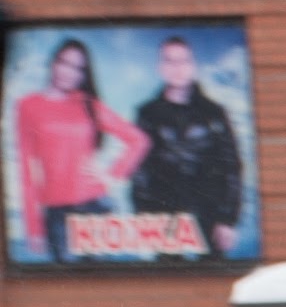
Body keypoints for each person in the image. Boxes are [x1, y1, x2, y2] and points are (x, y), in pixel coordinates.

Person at [15, 38, 147, 260]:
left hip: (98, 208)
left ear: (83, 75)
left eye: (78, 68)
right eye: (64, 63)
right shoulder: (28, 105)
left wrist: (112, 175)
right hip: (58, 214)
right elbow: (27, 171)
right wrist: (33, 228)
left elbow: (139, 140)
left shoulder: (89, 104)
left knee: (101, 280)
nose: (69, 72)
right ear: (53, 62)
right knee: (69, 279)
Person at [130, 35, 244, 258]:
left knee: (214, 274)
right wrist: (143, 216)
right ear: (161, 67)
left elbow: (231, 168)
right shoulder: (147, 114)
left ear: (193, 66)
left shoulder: (214, 113)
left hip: (209, 214)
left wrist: (227, 219)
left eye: (183, 61)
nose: (177, 68)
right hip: (164, 215)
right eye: (170, 61)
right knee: (168, 275)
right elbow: (140, 170)